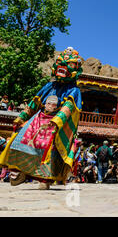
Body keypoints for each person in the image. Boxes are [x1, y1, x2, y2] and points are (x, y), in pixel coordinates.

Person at [0, 48, 83, 190]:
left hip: (56, 124)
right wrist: (22, 116)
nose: (62, 66)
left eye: (70, 64)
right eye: (59, 62)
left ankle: (45, 178)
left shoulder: (74, 90)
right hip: (38, 120)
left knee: (49, 149)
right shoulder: (49, 86)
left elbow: (68, 107)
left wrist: (57, 121)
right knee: (19, 140)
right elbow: (35, 102)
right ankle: (21, 171)